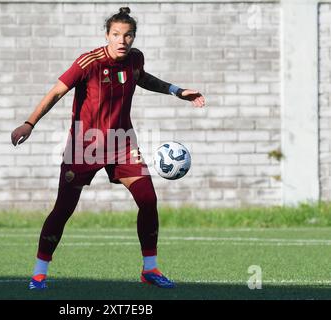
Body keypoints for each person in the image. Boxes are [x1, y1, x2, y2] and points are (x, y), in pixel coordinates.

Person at [11, 7, 205, 290]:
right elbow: (55, 92)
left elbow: (143, 77)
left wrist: (177, 91)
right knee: (63, 209)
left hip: (123, 144)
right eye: (116, 35)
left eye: (128, 35)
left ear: (134, 37)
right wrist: (29, 123)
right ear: (107, 36)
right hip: (83, 147)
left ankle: (150, 269)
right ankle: (39, 273)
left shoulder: (135, 59)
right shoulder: (88, 62)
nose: (122, 40)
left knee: (148, 200)